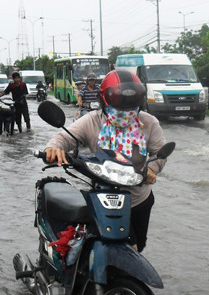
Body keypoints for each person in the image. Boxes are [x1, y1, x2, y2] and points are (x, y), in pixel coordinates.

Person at [42, 69, 168, 252]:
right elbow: (64, 138)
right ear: (104, 101)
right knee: (94, 246)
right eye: (120, 107)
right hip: (101, 197)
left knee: (136, 249)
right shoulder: (91, 121)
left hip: (138, 198)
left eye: (130, 107)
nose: (125, 112)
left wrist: (153, 168)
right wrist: (53, 148)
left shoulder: (149, 123)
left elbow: (159, 152)